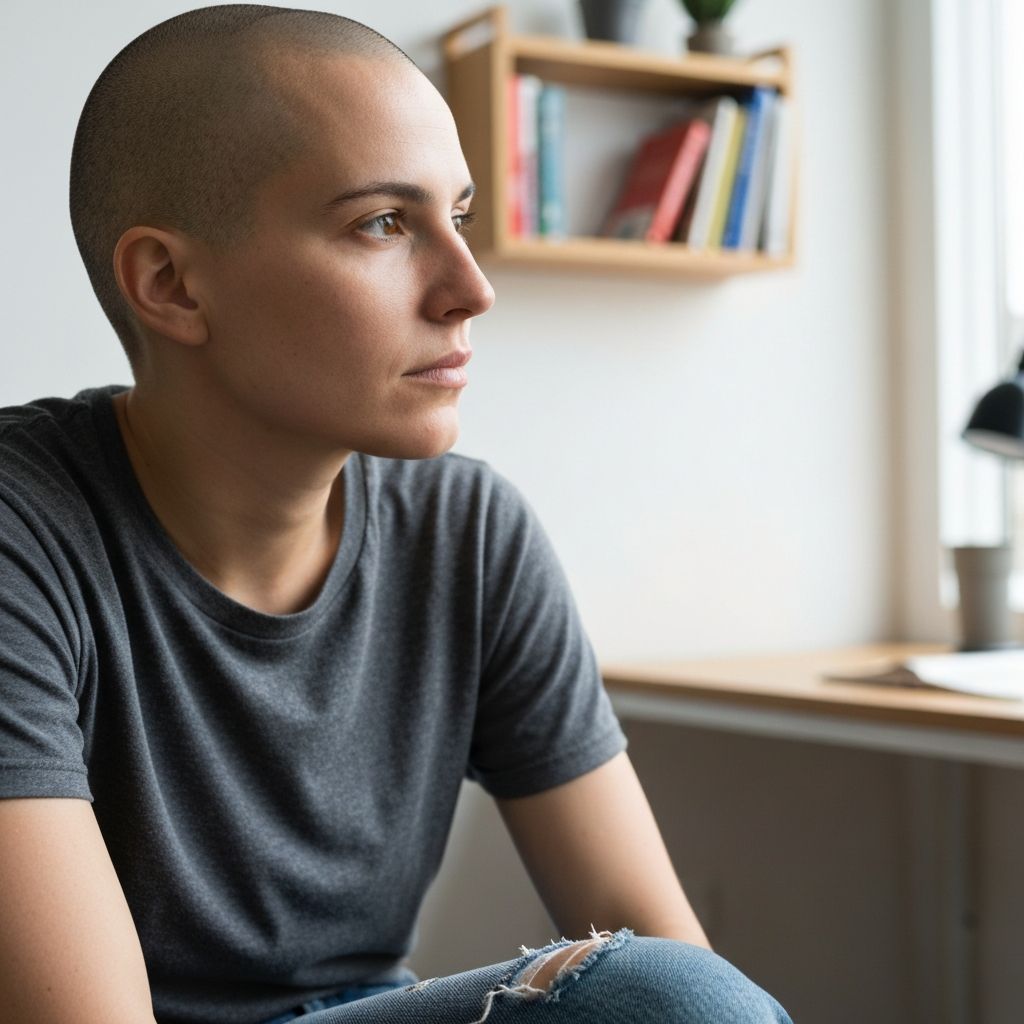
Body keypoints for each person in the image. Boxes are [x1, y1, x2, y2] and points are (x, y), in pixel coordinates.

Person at [0, 6, 793, 1024]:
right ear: (171, 283)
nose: (470, 289)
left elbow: (665, 947)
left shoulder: (467, 533)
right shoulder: (26, 527)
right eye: (382, 222)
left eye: (457, 217)